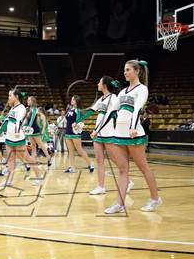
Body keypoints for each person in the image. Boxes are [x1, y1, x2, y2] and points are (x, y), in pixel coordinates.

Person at [105, 60, 161, 214]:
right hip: (119, 135)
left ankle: (155, 199)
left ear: (137, 71)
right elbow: (112, 111)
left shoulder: (142, 89)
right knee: (123, 170)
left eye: (128, 69)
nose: (125, 72)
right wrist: (99, 128)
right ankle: (119, 203)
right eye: (124, 70)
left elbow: (137, 110)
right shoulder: (122, 92)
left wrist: (132, 127)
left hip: (134, 133)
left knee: (143, 167)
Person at [75, 76, 134, 195]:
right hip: (98, 133)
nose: (97, 84)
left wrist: (97, 129)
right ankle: (101, 187)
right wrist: (78, 121)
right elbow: (91, 111)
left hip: (109, 133)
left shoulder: (113, 98)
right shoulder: (101, 99)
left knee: (114, 159)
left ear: (104, 85)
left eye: (99, 82)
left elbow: (109, 117)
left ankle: (128, 181)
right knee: (99, 160)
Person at [0, 89, 41, 187]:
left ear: (16, 97)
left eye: (10, 96)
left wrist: (17, 132)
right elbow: (6, 122)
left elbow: (18, 121)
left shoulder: (21, 108)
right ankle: (9, 180)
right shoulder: (13, 108)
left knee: (27, 157)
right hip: (9, 137)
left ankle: (38, 176)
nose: (8, 98)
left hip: (18, 138)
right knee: (10, 159)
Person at [65, 95, 94, 173]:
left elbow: (80, 122)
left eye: (73, 100)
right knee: (70, 151)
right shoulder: (70, 109)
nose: (71, 101)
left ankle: (90, 164)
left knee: (79, 150)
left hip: (75, 133)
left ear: (77, 101)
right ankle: (72, 167)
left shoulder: (78, 110)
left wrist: (76, 126)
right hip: (67, 132)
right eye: (71, 99)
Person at [25, 96, 52, 167]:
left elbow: (38, 118)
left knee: (40, 144)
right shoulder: (27, 109)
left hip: (35, 129)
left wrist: (43, 129)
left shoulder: (36, 110)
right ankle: (32, 160)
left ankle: (49, 157)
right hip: (29, 130)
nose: (27, 101)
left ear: (33, 101)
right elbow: (25, 120)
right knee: (33, 146)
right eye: (27, 100)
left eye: (29, 100)